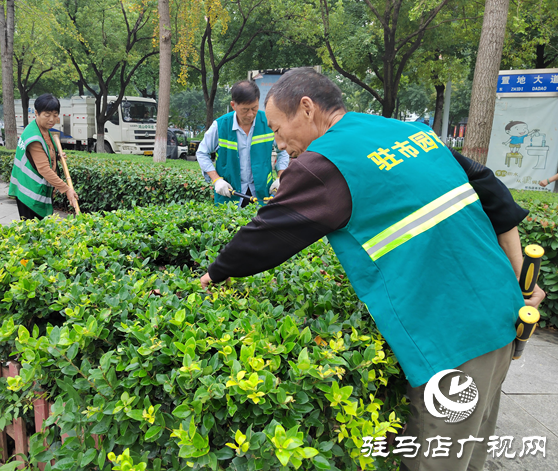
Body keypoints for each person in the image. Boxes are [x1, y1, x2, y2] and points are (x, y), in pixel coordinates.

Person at [199, 69, 545, 471]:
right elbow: (491, 188)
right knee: (470, 450)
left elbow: (268, 233)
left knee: (435, 460)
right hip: (501, 311)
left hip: (451, 339)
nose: (279, 142)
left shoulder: (325, 162)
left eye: (277, 129)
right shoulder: (404, 132)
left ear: (307, 109)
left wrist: (212, 275)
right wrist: (522, 279)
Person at [196, 80, 289, 207]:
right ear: (233, 105)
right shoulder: (220, 125)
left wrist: (280, 177)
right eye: (245, 110)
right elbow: (202, 153)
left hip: (262, 194)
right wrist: (216, 179)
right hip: (230, 194)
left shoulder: (268, 123)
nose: (250, 114)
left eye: (254, 108)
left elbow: (283, 151)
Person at [8, 94, 79, 220]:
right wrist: (66, 189)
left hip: (35, 191)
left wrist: (56, 156)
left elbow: (42, 154)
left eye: (55, 115)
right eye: (47, 115)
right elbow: (43, 169)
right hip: (29, 194)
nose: (52, 119)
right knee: (34, 235)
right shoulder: (34, 136)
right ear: (36, 113)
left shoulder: (43, 129)